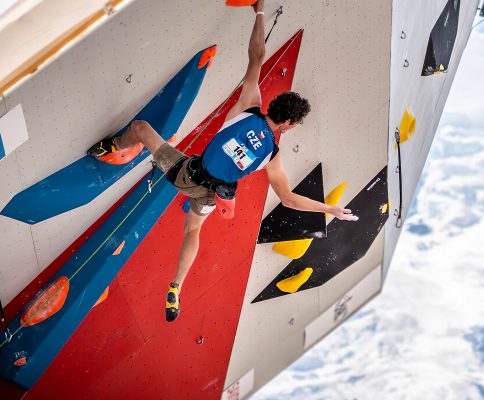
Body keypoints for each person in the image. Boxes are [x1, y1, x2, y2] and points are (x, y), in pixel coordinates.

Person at [87, 0, 358, 322]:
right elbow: (288, 199)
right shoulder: (272, 155)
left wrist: (258, 11)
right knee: (192, 231)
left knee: (141, 129)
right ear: (288, 125)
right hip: (213, 196)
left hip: (186, 173)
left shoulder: (248, 106)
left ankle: (113, 148)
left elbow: (256, 56)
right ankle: (175, 286)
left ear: (275, 107)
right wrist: (330, 209)